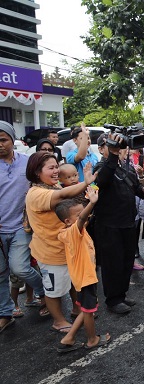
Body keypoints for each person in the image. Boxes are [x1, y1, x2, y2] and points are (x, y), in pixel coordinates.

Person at [25, 151, 97, 333]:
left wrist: (90, 186)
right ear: (36, 172)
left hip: (68, 248)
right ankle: (58, 320)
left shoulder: (54, 186)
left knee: (74, 282)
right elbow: (63, 196)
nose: (56, 171)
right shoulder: (36, 193)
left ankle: (76, 309)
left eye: (57, 166)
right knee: (54, 290)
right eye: (51, 168)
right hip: (51, 252)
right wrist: (85, 182)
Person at [93, 133, 144, 314]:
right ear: (100, 149)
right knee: (112, 263)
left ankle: (121, 294)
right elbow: (102, 180)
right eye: (109, 146)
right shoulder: (100, 167)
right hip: (109, 225)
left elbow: (135, 188)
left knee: (126, 261)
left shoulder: (125, 167)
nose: (116, 149)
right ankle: (112, 300)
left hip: (128, 222)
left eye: (118, 147)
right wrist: (113, 156)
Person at [0, 121, 46, 334]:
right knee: (0, 274)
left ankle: (44, 291)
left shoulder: (28, 163)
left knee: (19, 268)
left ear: (12, 140)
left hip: (22, 227)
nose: (0, 144)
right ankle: (5, 314)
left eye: (3, 140)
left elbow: (43, 183)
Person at [54, 188, 111, 353]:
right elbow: (82, 218)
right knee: (88, 311)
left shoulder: (73, 231)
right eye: (78, 215)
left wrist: (89, 195)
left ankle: (69, 338)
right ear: (67, 221)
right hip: (85, 279)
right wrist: (92, 203)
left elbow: (83, 216)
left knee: (87, 308)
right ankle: (92, 340)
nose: (84, 217)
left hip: (83, 278)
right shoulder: (74, 231)